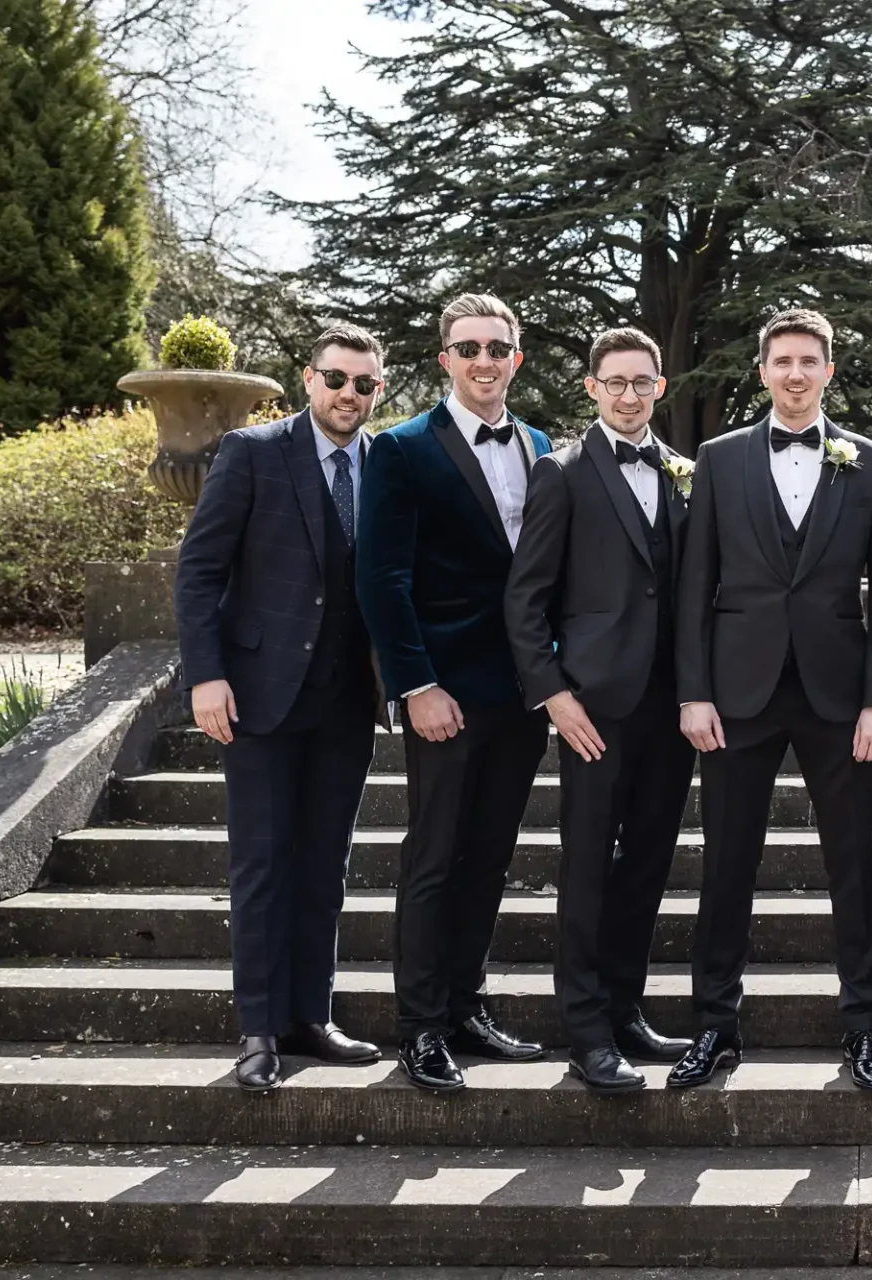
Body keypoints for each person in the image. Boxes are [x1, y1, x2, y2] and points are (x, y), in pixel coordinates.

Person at [671, 308, 872, 1091]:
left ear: (829, 371)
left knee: (855, 863)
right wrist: (694, 692)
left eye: (810, 361)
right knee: (726, 864)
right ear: (763, 370)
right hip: (735, 694)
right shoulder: (719, 458)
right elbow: (694, 586)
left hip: (840, 696)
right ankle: (714, 1027)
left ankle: (865, 1026)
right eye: (782, 361)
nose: (796, 374)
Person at [174, 322, 389, 1091]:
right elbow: (199, 571)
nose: (348, 395)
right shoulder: (255, 451)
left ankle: (311, 1016)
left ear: (379, 390)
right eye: (336, 379)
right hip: (259, 696)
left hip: (345, 700)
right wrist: (206, 676)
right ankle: (260, 1029)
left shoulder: (383, 463)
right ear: (309, 378)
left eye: (364, 384)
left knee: (325, 864)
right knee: (262, 865)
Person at [357, 292, 554, 1093]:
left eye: (497, 348)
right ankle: (420, 1027)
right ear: (445, 360)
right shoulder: (401, 450)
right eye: (468, 348)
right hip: (445, 692)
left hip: (522, 692)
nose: (483, 361)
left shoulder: (540, 443)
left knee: (491, 857)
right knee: (435, 857)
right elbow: (381, 579)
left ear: (516, 356)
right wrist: (415, 685)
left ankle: (468, 1007)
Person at [504, 326, 697, 1092]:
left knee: (648, 860)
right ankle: (585, 1031)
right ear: (591, 388)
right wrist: (554, 696)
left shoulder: (682, 472)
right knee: (587, 864)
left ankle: (624, 1008)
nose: (628, 396)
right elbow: (524, 600)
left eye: (641, 383)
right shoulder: (561, 473)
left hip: (669, 704)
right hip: (592, 707)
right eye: (614, 383)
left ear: (659, 387)